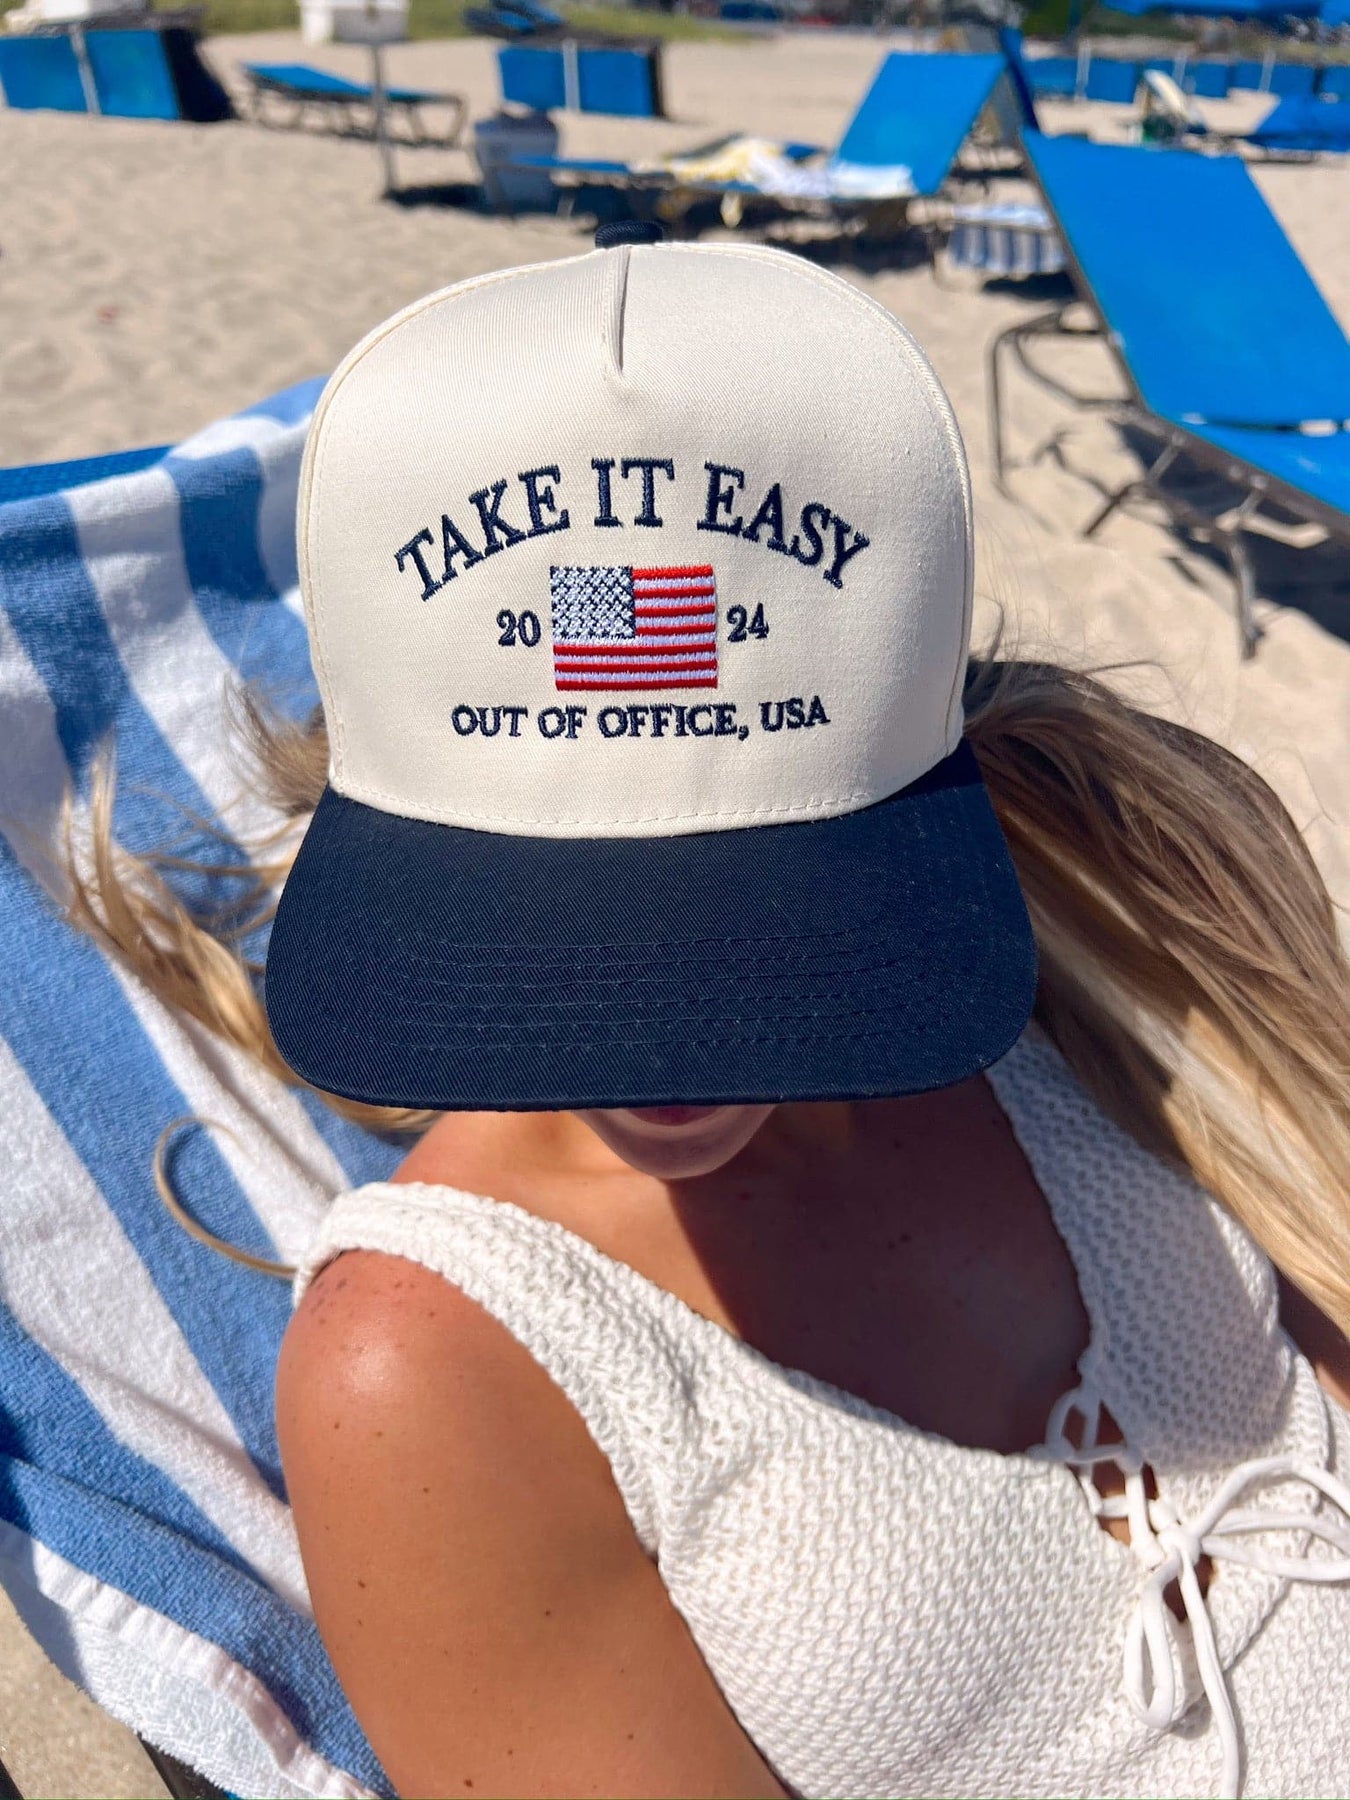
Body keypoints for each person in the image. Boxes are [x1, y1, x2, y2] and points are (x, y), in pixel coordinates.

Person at [71, 228, 1350, 1800]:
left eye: (755, 930)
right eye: (547, 931)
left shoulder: (1091, 951)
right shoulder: (434, 1365)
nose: (664, 1041)